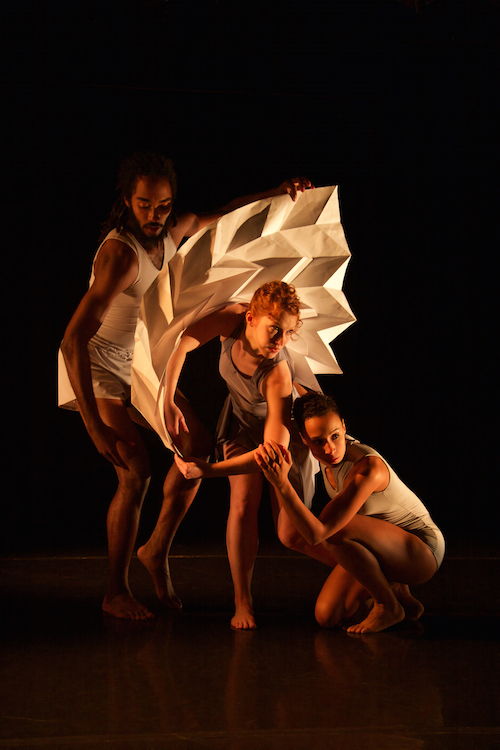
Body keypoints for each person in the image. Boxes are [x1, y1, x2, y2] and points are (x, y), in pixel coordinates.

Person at [59, 149, 313, 620]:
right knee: (135, 469)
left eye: (162, 205)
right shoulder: (119, 256)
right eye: (143, 205)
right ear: (128, 199)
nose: (154, 216)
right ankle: (115, 590)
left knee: (195, 444)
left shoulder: (173, 229)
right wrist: (94, 426)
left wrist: (279, 195)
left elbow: (232, 211)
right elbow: (72, 339)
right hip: (98, 363)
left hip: (140, 360)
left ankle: (155, 549)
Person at [168, 281, 334, 630]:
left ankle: (363, 570)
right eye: (275, 329)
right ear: (250, 318)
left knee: (292, 535)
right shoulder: (229, 319)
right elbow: (182, 343)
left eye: (289, 333)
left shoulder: (277, 374)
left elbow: (272, 453)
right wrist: (167, 398)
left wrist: (208, 470)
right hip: (241, 422)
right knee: (242, 504)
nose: (281, 341)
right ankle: (242, 600)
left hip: (282, 439)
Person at [254, 392, 445, 634]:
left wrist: (282, 484)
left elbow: (318, 535)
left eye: (335, 436)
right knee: (327, 615)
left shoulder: (366, 470)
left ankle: (387, 605)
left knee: (335, 531)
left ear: (344, 427)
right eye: (318, 441)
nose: (330, 448)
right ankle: (395, 590)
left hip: (421, 553)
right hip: (383, 548)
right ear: (304, 439)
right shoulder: (328, 452)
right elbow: (303, 391)